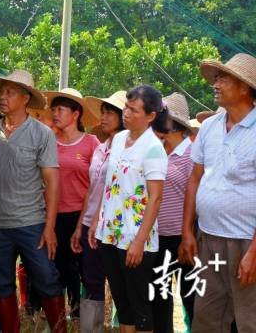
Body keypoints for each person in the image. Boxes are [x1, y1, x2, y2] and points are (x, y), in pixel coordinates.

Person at [0, 70, 66, 333]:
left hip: (31, 223)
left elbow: (52, 182)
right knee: (0, 284)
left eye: (10, 93)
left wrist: (49, 227)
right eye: (1, 92)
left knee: (47, 280)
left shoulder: (42, 134)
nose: (2, 98)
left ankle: (60, 329)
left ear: (25, 98)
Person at [179, 53, 256, 332]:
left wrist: (255, 252)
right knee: (207, 318)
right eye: (216, 78)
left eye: (223, 78)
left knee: (250, 319)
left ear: (245, 87)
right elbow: (194, 179)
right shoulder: (210, 126)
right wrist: (188, 231)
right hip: (209, 239)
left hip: (246, 241)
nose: (216, 84)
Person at [88, 85, 169, 333]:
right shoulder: (120, 139)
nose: (126, 113)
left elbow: (155, 199)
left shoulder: (154, 148)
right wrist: (96, 222)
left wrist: (139, 241)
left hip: (136, 238)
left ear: (151, 116)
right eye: (126, 106)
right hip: (110, 233)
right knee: (122, 303)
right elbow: (110, 184)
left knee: (140, 306)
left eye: (133, 110)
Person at [71, 90, 127, 332]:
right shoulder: (100, 148)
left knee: (119, 282)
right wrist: (79, 226)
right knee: (91, 280)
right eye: (102, 112)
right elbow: (92, 189)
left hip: (113, 225)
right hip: (89, 223)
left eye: (109, 113)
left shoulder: (128, 148)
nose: (103, 117)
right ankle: (90, 329)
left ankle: (125, 325)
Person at [43, 88, 100, 324]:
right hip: (52, 216)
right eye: (54, 109)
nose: (55, 114)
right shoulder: (48, 142)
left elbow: (98, 181)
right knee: (57, 267)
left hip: (82, 215)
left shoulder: (91, 143)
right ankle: (56, 319)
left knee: (84, 270)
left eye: (61, 110)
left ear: (75, 114)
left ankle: (80, 316)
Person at [152, 92, 196, 333]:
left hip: (185, 239)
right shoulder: (157, 152)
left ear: (175, 125)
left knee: (191, 297)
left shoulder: (192, 154)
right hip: (157, 239)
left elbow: (198, 197)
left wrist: (188, 232)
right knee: (159, 298)